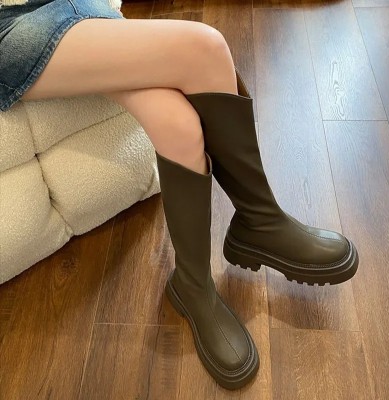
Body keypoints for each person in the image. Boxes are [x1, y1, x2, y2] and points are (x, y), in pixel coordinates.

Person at [0, 0, 359, 390]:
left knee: (178, 124)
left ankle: (195, 278)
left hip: (67, 5)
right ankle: (258, 222)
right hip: (11, 23)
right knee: (206, 48)